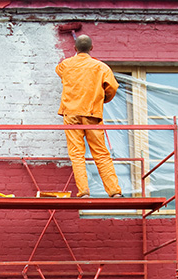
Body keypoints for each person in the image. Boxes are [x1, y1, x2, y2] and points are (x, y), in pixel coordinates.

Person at [56, 34, 123, 198]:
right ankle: (114, 191)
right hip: (92, 113)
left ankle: (84, 191)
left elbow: (59, 71)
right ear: (91, 48)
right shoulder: (101, 67)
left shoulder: (66, 65)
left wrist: (75, 57)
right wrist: (104, 99)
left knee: (77, 154)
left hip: (71, 114)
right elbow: (112, 87)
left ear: (75, 49)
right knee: (100, 153)